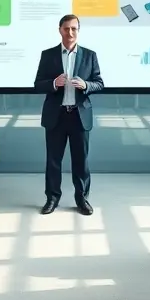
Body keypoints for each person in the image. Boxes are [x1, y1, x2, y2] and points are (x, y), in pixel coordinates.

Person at [33, 14, 104, 215]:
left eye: (74, 29)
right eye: (66, 28)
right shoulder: (48, 55)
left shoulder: (90, 55)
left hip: (79, 116)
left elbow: (99, 83)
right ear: (60, 30)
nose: (70, 32)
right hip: (56, 116)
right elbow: (38, 84)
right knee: (53, 161)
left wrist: (86, 85)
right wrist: (54, 83)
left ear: (78, 31)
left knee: (81, 161)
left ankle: (82, 199)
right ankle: (52, 199)